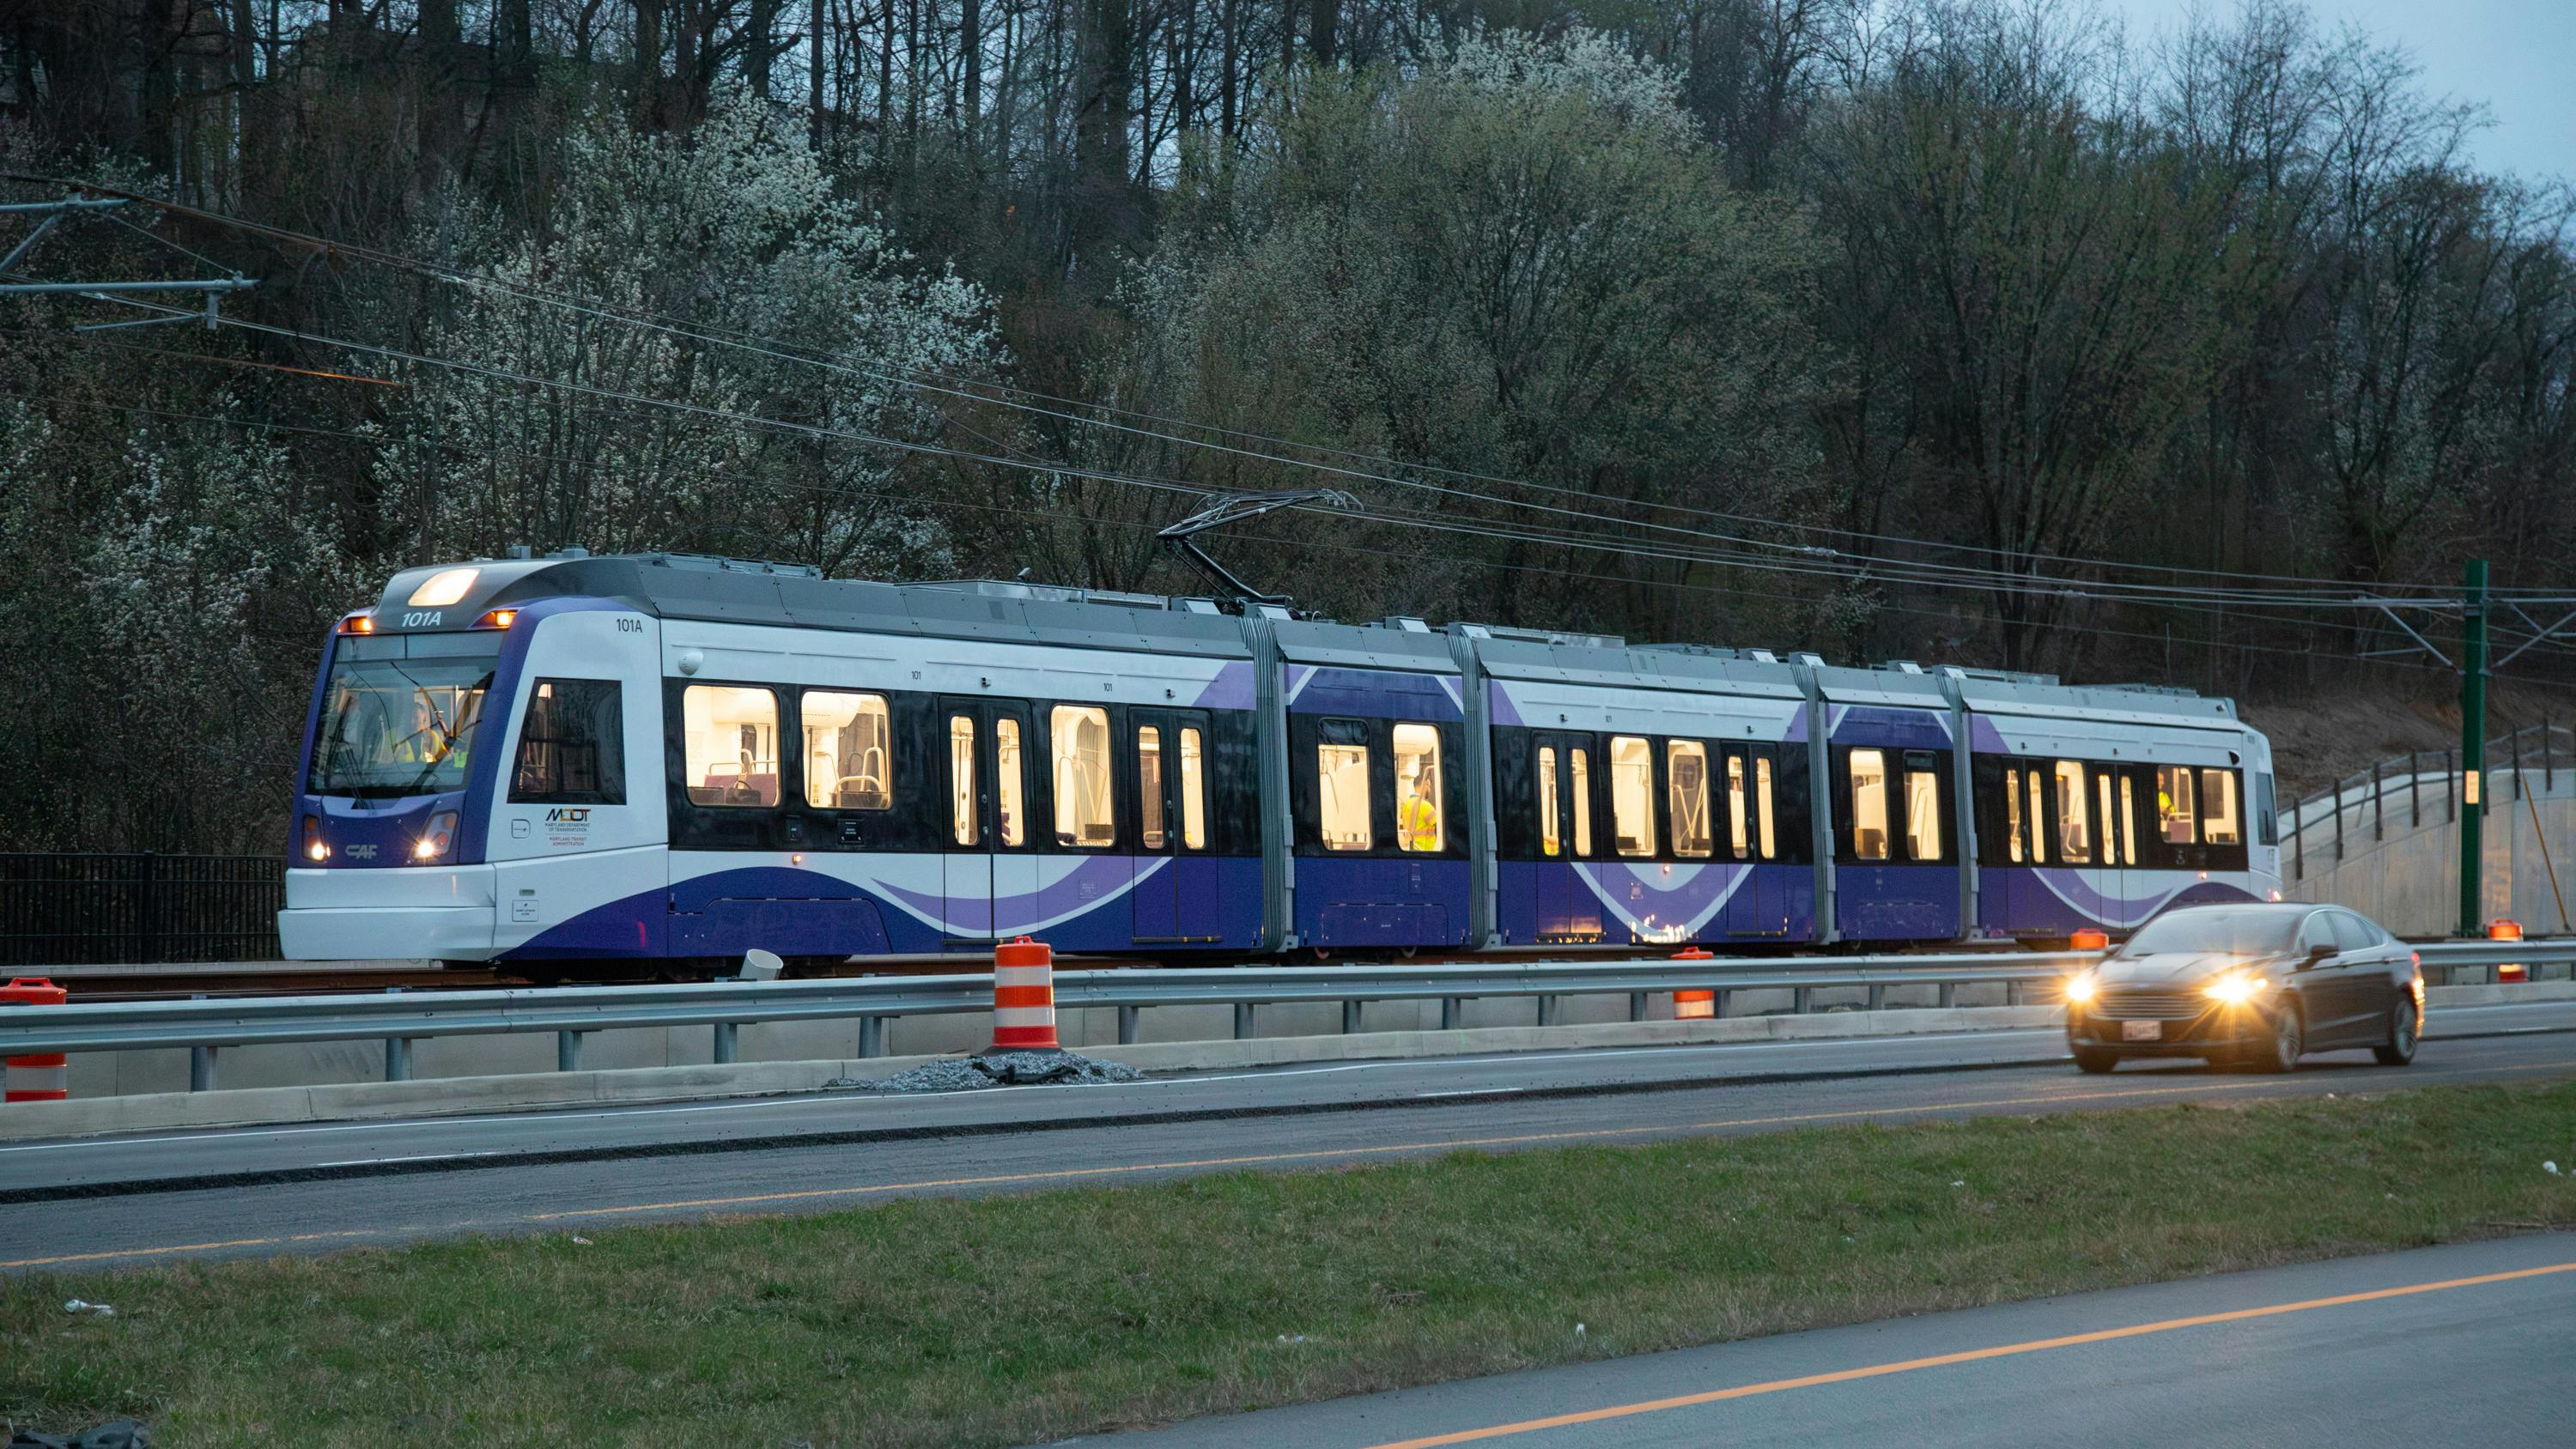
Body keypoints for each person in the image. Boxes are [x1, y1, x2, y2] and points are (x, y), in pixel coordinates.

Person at [1399, 767, 1440, 851]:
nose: (1430, 789)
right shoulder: (1424, 805)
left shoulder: (1407, 804)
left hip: (1411, 847)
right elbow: (1441, 825)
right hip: (1424, 850)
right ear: (1425, 784)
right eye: (1429, 786)